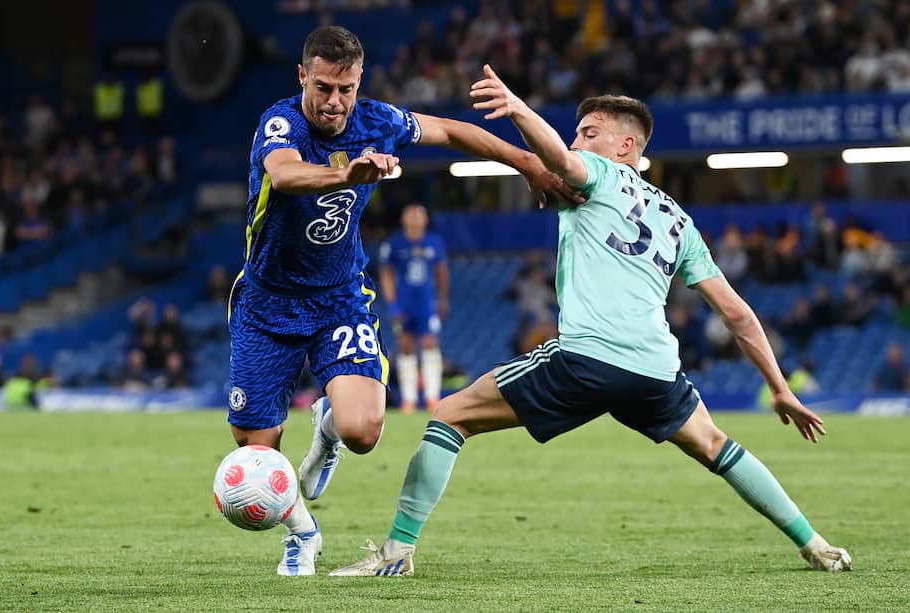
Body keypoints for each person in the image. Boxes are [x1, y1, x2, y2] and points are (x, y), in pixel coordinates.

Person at [329, 65, 852, 577]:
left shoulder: (600, 175)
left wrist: (516, 109)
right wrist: (779, 388)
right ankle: (815, 543)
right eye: (578, 131)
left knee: (449, 416)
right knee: (717, 445)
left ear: (626, 147)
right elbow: (736, 311)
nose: (578, 141)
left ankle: (396, 554)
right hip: (655, 371)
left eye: (589, 132)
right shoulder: (678, 220)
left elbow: (555, 156)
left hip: (587, 359)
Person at [226, 28, 579, 578]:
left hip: (339, 297)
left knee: (363, 432)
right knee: (256, 456)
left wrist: (528, 163)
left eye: (346, 89)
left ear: (359, 82)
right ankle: (302, 535)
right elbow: (285, 173)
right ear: (302, 78)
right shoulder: (282, 123)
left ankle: (329, 428)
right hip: (267, 304)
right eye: (323, 87)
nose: (334, 102)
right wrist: (345, 173)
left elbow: (454, 132)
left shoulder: (375, 120)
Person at [379, 203, 449, 414]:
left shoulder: (434, 243)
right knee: (406, 345)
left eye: (419, 215)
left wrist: (443, 298)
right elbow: (386, 274)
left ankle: (432, 398)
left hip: (427, 303)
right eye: (411, 215)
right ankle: (408, 400)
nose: (415, 219)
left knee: (429, 343)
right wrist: (392, 304)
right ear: (403, 219)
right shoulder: (395, 243)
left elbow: (441, 272)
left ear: (426, 220)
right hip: (404, 304)